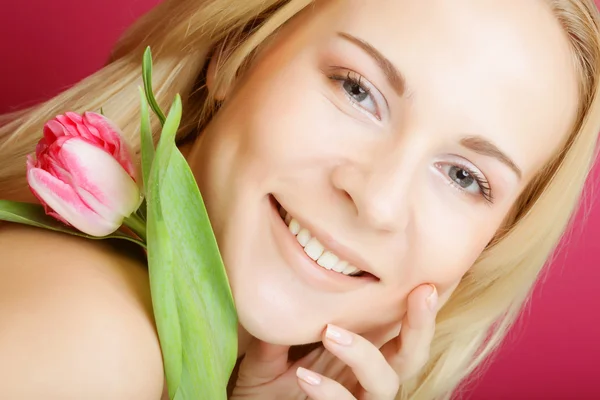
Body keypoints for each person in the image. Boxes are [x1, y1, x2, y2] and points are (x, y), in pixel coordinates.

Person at [0, 0, 599, 399]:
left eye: (465, 177)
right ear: (239, 54)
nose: (378, 201)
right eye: (357, 90)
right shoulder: (95, 339)